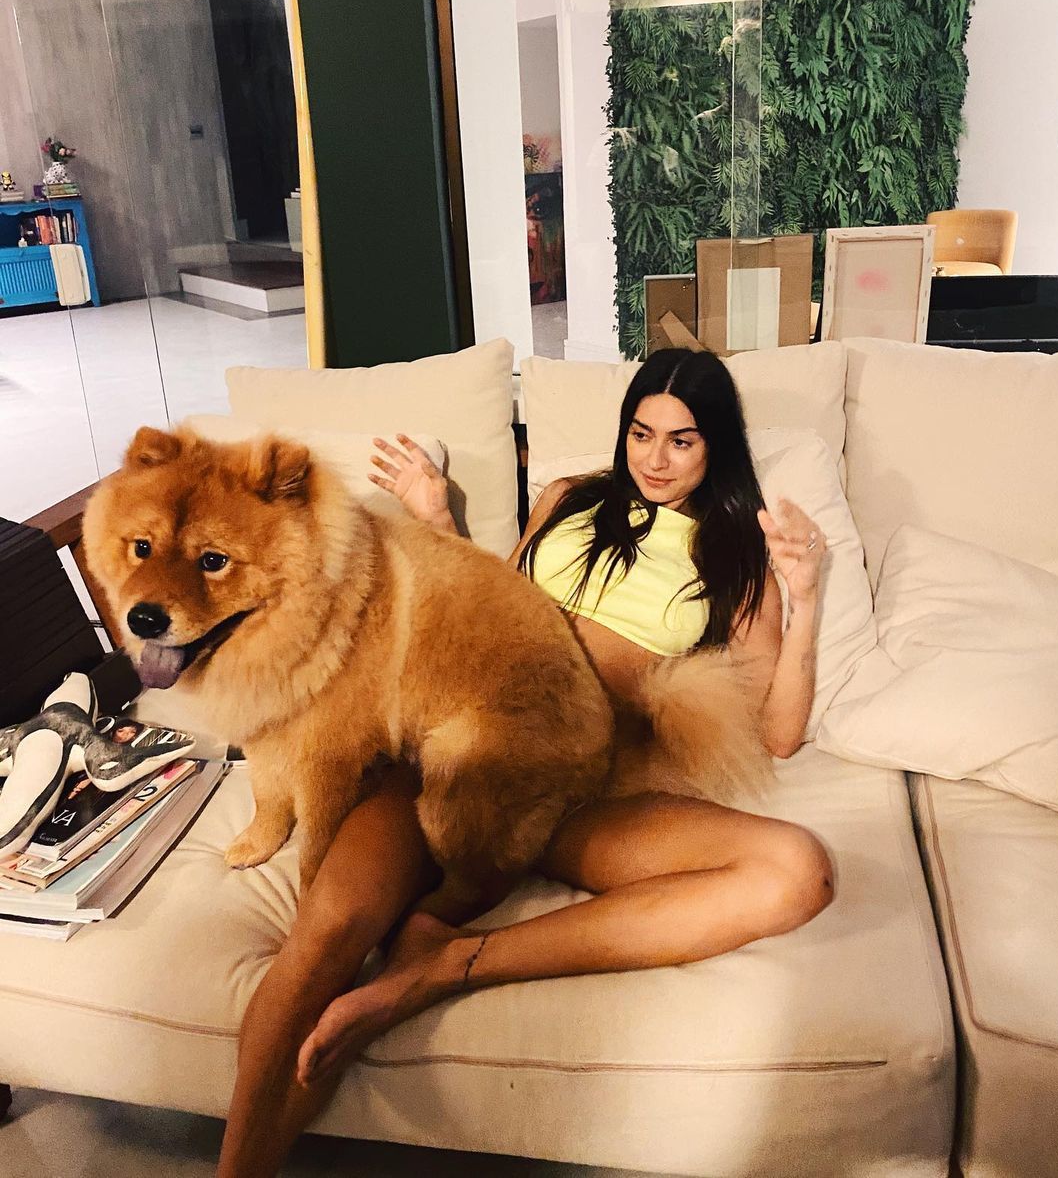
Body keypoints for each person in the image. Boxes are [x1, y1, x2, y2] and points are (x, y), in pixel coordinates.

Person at [216, 348, 834, 1178]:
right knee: (324, 936)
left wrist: (807, 595)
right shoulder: (569, 498)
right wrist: (435, 517)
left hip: (584, 787)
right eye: (641, 433)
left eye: (681, 441)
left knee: (797, 870)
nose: (654, 458)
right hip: (456, 749)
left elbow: (780, 733)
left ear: (715, 445)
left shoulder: (736, 560)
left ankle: (445, 962)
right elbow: (488, 605)